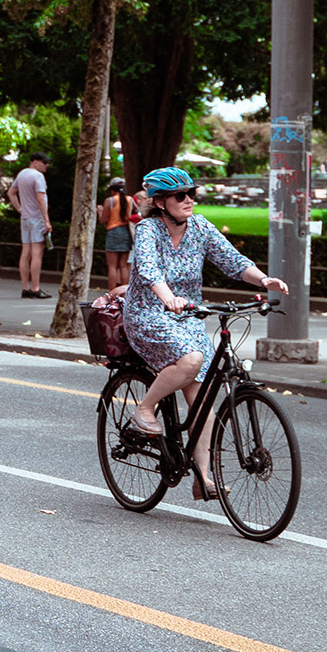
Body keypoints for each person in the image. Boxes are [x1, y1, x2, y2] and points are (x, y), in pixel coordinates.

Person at [120, 167, 286, 494]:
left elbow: (233, 261)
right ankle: (144, 409)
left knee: (203, 400)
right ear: (161, 202)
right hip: (148, 314)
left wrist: (264, 280)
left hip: (190, 316)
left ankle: (203, 477)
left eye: (191, 194)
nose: (189, 200)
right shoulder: (149, 230)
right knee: (193, 359)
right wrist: (168, 299)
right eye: (180, 195)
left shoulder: (199, 227)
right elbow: (150, 271)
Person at [11, 154, 52, 299]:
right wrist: (47, 220)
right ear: (35, 162)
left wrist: (20, 209)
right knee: (37, 253)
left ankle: (25, 287)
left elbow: (11, 193)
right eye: (44, 163)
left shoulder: (22, 174)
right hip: (37, 218)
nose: (46, 166)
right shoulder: (38, 176)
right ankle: (35, 288)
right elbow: (41, 199)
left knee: (25, 252)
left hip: (25, 218)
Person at [98, 176, 138, 291]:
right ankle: (124, 294)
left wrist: (100, 212)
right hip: (126, 232)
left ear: (112, 190)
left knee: (112, 266)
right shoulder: (129, 199)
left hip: (113, 232)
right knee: (123, 265)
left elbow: (102, 220)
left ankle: (112, 294)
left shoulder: (110, 201)